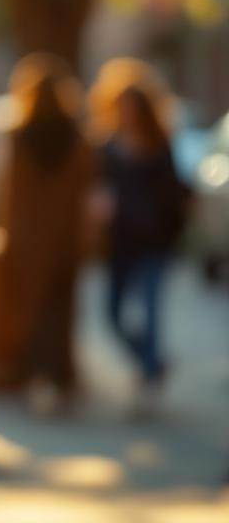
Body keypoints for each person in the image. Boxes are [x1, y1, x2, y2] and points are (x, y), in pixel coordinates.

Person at [0, 53, 92, 412]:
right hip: (64, 236)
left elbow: (11, 192)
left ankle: (34, 376)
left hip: (29, 238)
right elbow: (82, 189)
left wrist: (6, 233)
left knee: (28, 310)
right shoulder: (76, 136)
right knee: (59, 309)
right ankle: (59, 377)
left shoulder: (20, 136)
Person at [89, 60, 191, 413]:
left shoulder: (159, 144)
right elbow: (96, 187)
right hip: (120, 242)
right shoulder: (106, 146)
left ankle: (149, 377)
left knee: (149, 311)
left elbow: (175, 195)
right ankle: (153, 360)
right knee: (112, 316)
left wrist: (169, 230)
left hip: (153, 242)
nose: (127, 113)